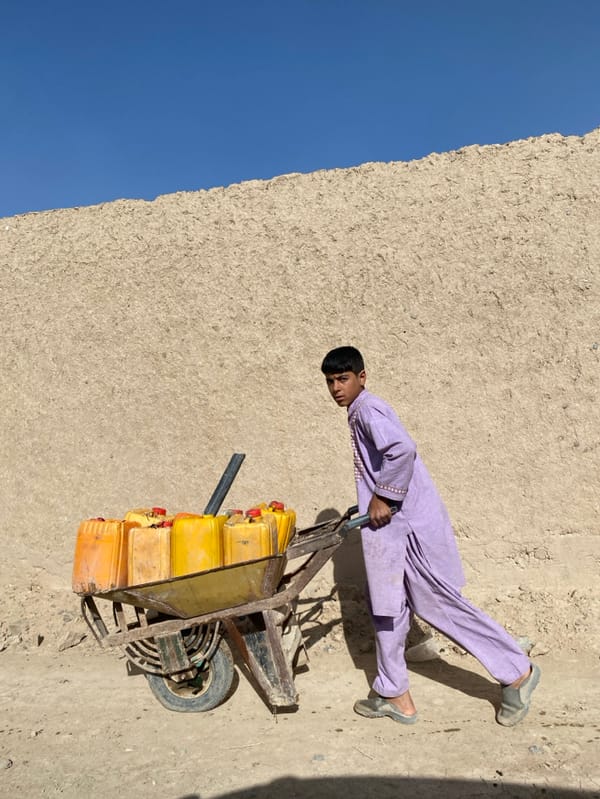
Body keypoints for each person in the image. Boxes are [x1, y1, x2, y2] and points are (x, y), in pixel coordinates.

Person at [321, 345, 540, 726]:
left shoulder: (368, 409)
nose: (336, 388)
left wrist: (382, 495)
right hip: (389, 529)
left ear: (362, 377)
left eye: (343, 379)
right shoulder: (358, 413)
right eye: (330, 381)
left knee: (436, 602)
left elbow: (402, 450)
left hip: (405, 530)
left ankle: (516, 671)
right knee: (387, 609)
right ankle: (394, 692)